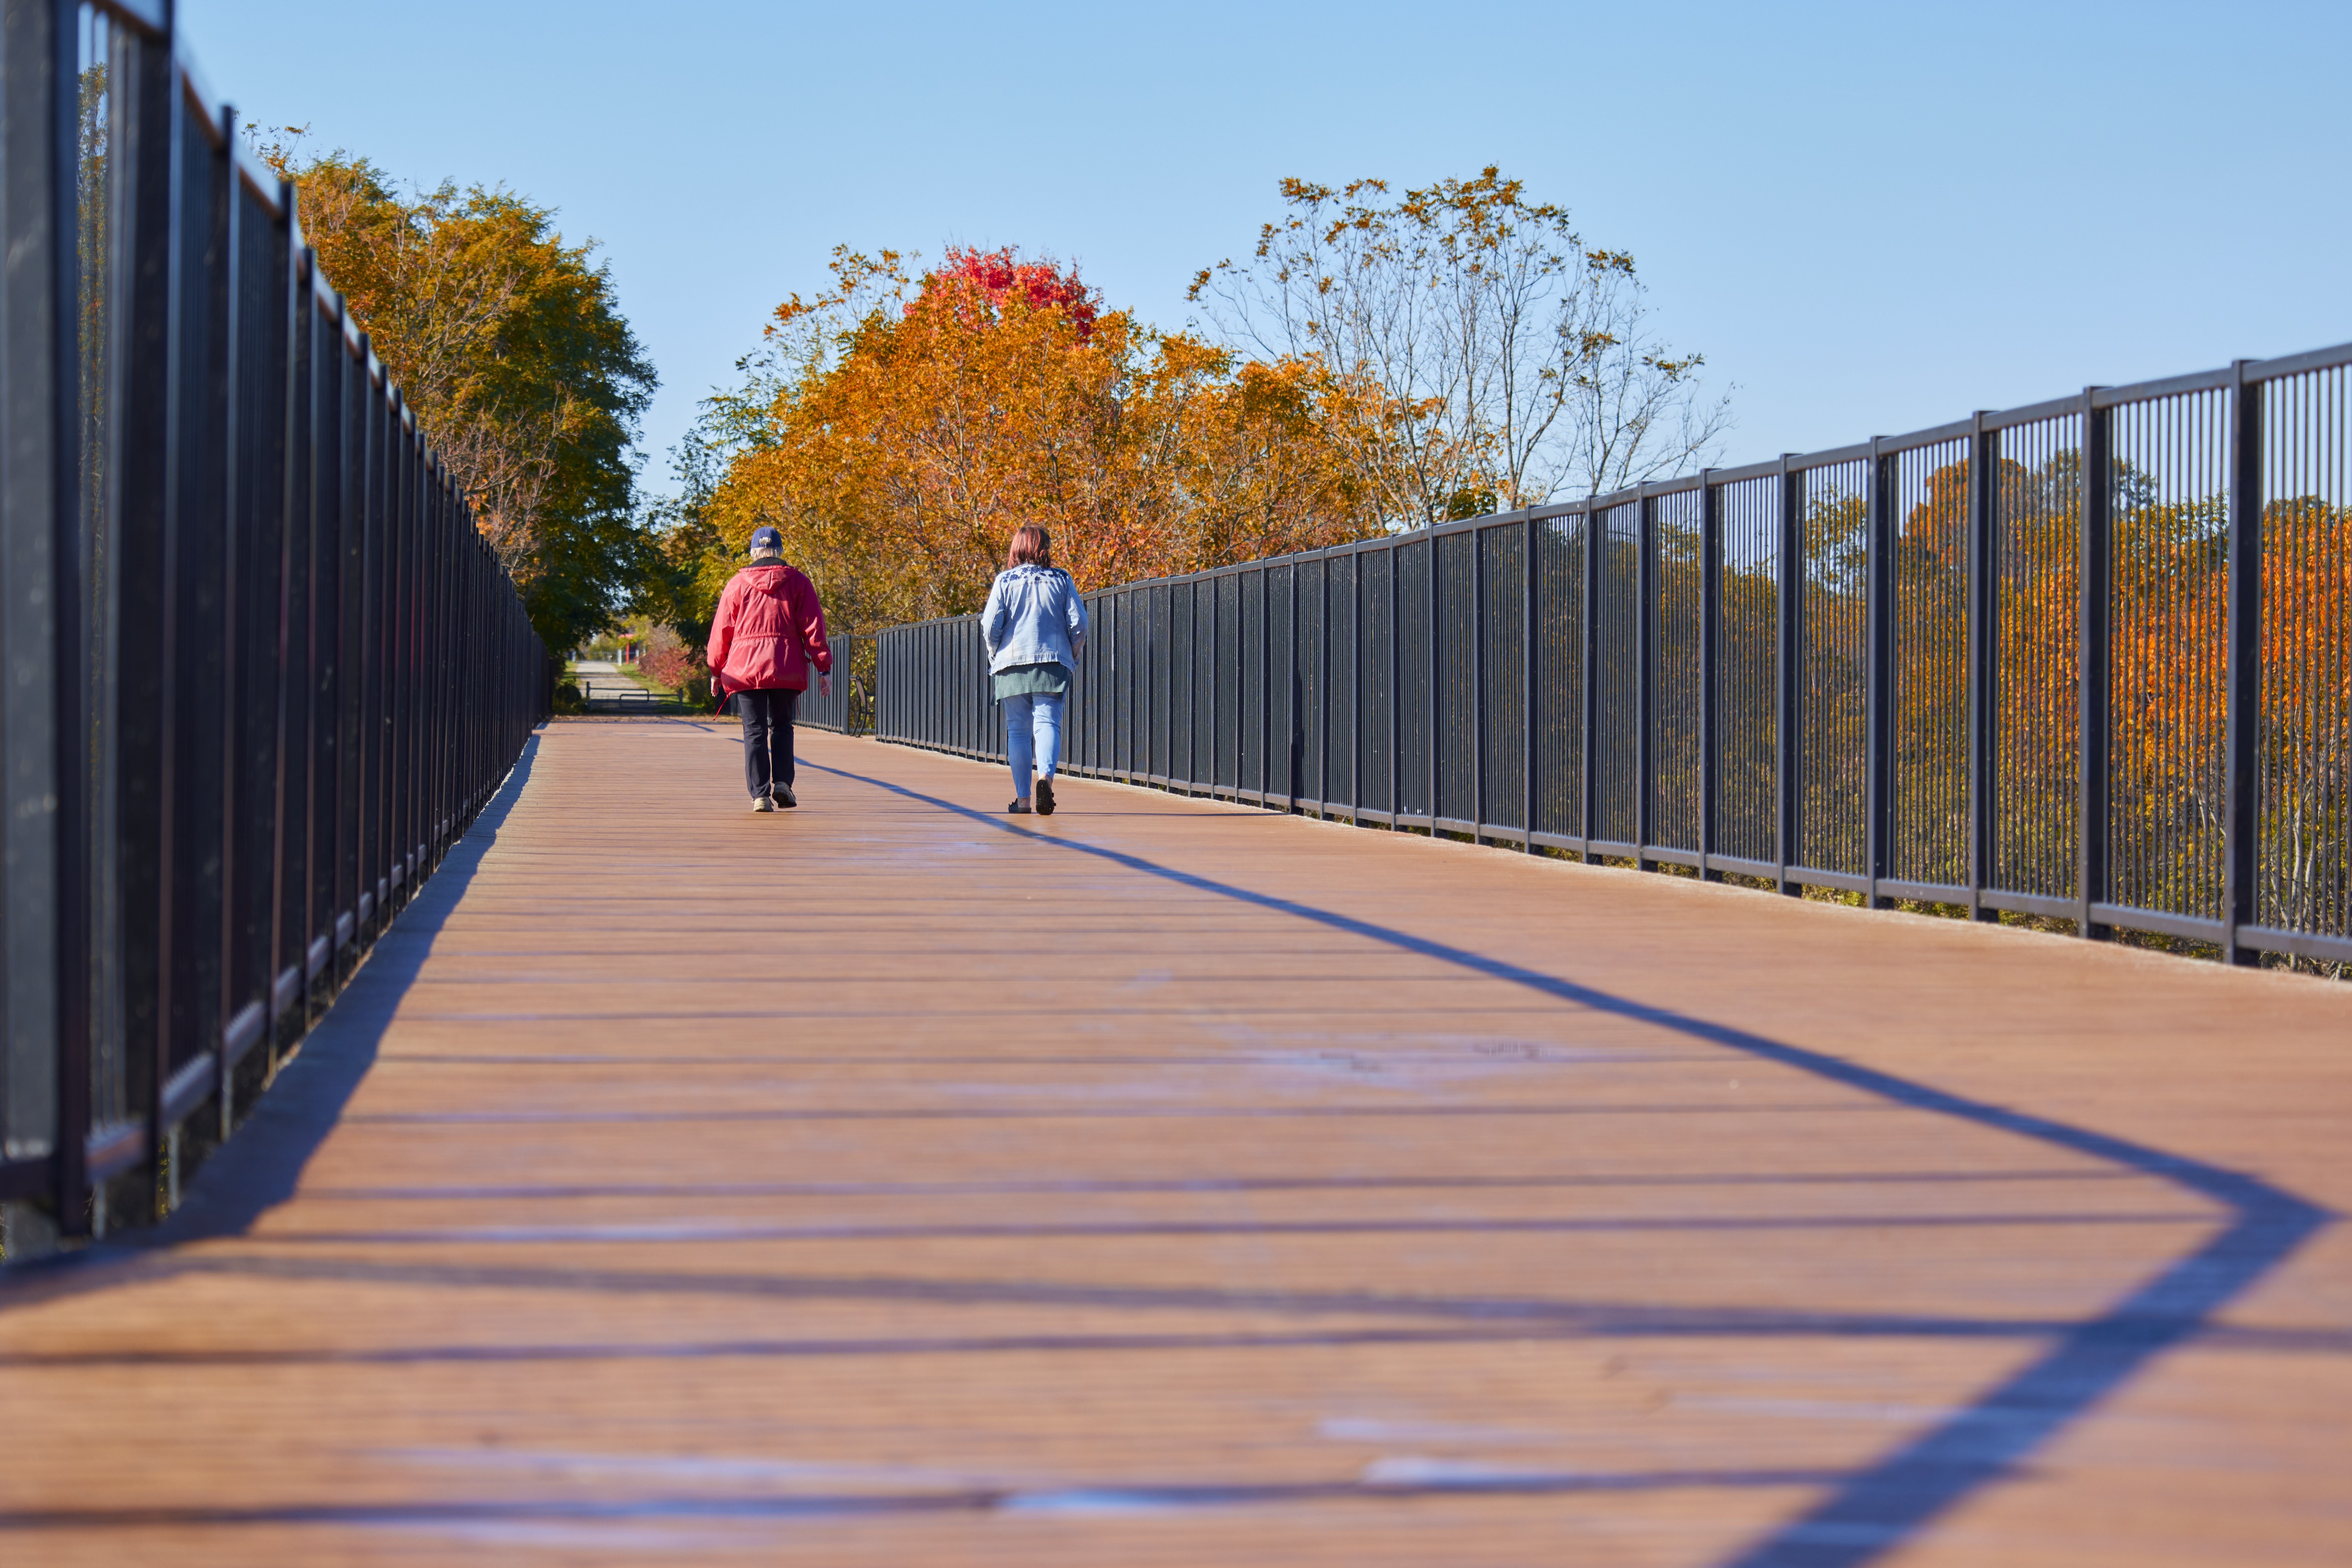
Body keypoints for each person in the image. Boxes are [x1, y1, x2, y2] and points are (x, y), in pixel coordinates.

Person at [707, 526, 832, 813]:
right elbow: (814, 628)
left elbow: (721, 632)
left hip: (745, 669)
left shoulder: (737, 584)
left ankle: (760, 795)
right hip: (786, 665)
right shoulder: (799, 582)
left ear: (753, 552)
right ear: (779, 551)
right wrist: (823, 668)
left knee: (754, 730)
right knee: (783, 726)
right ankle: (784, 783)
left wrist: (716, 669)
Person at [980, 525, 1087, 815]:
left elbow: (990, 626)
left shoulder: (1004, 581)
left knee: (1018, 732)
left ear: (1016, 548)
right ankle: (1046, 781)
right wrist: (1071, 655)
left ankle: (1023, 800)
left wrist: (995, 654)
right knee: (1048, 723)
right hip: (1052, 661)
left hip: (1011, 663)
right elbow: (1079, 624)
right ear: (1044, 548)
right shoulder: (1062, 579)